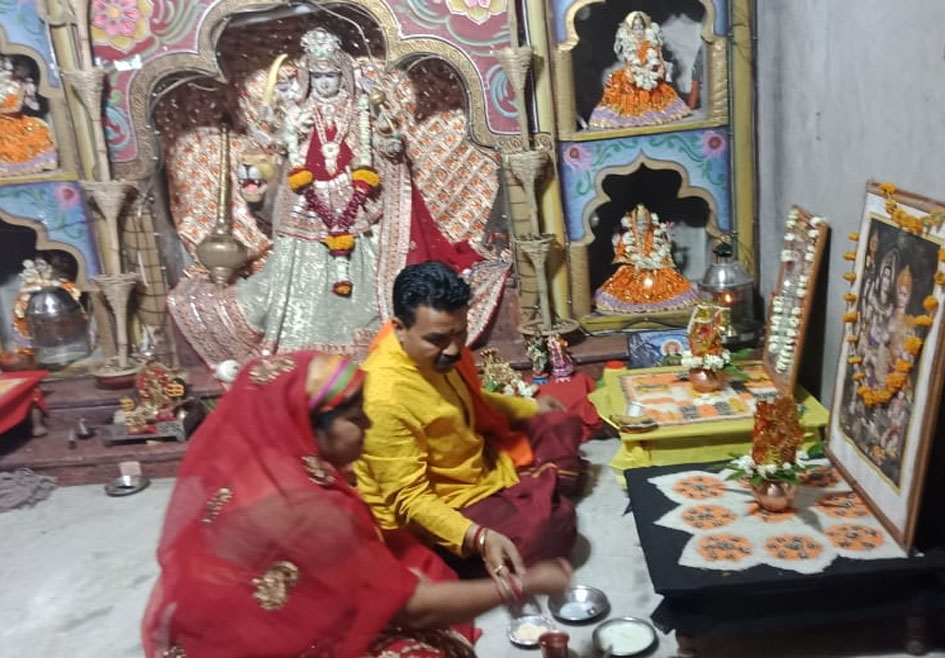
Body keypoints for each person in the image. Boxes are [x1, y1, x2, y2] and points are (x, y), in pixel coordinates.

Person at [141, 351, 572, 658]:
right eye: (354, 418)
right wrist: (525, 584)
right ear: (310, 427)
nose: (368, 423)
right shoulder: (316, 511)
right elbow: (414, 607)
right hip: (261, 643)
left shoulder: (259, 468)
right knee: (429, 646)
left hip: (219, 633)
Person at [168, 27, 483, 362]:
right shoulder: (297, 108)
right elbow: (272, 143)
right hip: (306, 199)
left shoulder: (359, 105)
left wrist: (389, 144)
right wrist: (289, 129)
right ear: (308, 78)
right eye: (318, 77)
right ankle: (305, 336)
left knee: (366, 261)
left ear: (342, 76)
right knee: (303, 266)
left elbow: (381, 142)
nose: (325, 84)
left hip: (355, 195)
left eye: (331, 76)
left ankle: (367, 329)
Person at [354, 262, 583, 582]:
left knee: (560, 422)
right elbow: (410, 499)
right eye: (437, 339)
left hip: (477, 460)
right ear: (399, 328)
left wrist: (529, 407)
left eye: (460, 333)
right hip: (445, 501)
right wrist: (479, 537)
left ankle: (537, 491)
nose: (453, 349)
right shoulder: (382, 397)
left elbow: (472, 400)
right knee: (549, 528)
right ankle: (531, 499)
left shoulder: (442, 349)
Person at [588, 11, 691, 129]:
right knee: (620, 85)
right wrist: (632, 71)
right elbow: (627, 60)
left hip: (651, 74)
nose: (638, 31)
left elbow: (659, 60)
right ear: (630, 30)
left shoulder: (651, 43)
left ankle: (651, 115)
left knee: (656, 93)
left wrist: (659, 70)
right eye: (635, 28)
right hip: (633, 73)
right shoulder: (628, 43)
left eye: (641, 28)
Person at [595, 203, 697, 314]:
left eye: (645, 224)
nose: (642, 227)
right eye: (639, 225)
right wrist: (637, 261)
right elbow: (624, 252)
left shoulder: (657, 234)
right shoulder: (628, 237)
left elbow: (663, 250)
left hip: (656, 267)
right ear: (633, 224)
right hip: (635, 268)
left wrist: (653, 261)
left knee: (667, 284)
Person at [0, 55, 57, 176]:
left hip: (14, 120)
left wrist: (2, 112)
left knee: (34, 130)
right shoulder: (3, 87)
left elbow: (17, 107)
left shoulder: (21, 85)